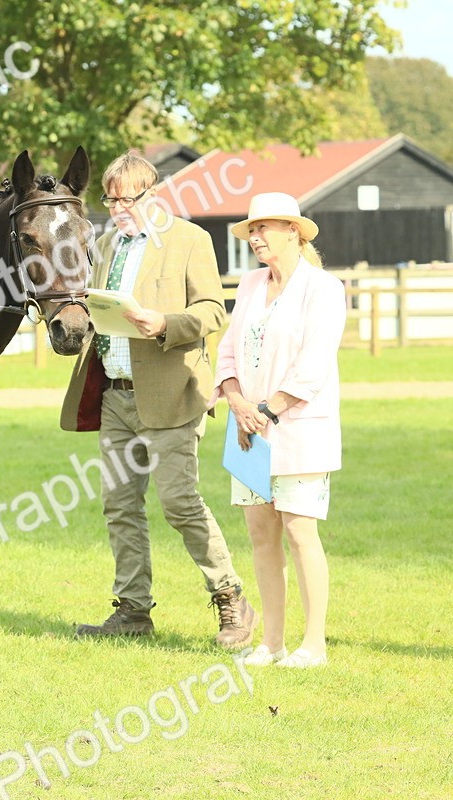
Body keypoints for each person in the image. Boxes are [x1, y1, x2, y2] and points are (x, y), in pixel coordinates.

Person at [60, 151, 257, 648]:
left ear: (154, 193)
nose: (119, 209)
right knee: (119, 506)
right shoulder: (105, 244)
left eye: (128, 199)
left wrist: (165, 323)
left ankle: (231, 597)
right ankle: (133, 610)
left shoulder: (190, 240)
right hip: (115, 395)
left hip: (172, 394)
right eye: (111, 200)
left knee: (179, 503)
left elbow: (212, 310)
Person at [212, 193, 345, 669]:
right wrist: (237, 402)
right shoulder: (250, 284)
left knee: (299, 532)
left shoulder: (323, 288)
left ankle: (314, 645)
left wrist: (266, 410)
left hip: (297, 429)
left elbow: (314, 363)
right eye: (251, 230)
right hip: (248, 431)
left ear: (293, 231)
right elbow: (227, 351)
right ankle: (271, 643)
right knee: (260, 534)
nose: (255, 237)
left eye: (264, 228)